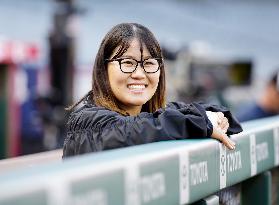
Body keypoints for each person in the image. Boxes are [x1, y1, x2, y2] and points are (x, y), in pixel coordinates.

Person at [63, 23, 242, 158]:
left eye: (149, 63)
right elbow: (128, 132)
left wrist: (215, 118)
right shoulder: (87, 122)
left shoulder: (151, 117)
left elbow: (228, 120)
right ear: (104, 69)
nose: (139, 74)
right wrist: (201, 123)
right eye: (127, 63)